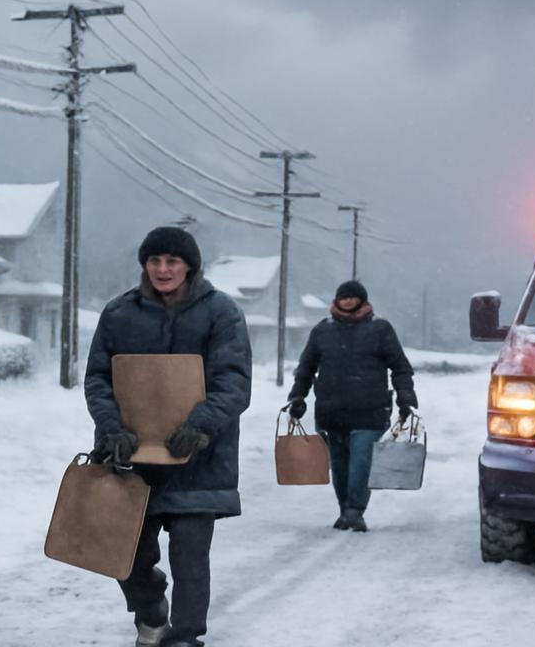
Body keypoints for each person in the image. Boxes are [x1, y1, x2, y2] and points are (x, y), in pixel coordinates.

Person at [85, 226, 251, 647]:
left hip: (199, 460)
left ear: (189, 267)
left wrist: (200, 426)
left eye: (172, 261)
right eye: (154, 261)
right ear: (144, 264)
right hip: (133, 459)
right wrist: (111, 429)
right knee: (127, 553)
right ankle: (150, 606)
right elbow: (99, 380)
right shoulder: (119, 314)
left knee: (191, 558)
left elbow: (233, 382)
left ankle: (186, 636)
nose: (163, 269)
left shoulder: (221, 313)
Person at [286, 280, 416, 532]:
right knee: (339, 464)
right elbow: (306, 367)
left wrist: (406, 398)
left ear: (362, 300)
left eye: (352, 297)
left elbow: (400, 367)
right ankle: (345, 508)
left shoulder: (380, 329)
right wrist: (297, 397)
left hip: (370, 410)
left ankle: (355, 509)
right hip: (332, 411)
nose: (347, 301)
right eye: (342, 297)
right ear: (336, 300)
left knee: (361, 460)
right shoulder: (322, 330)